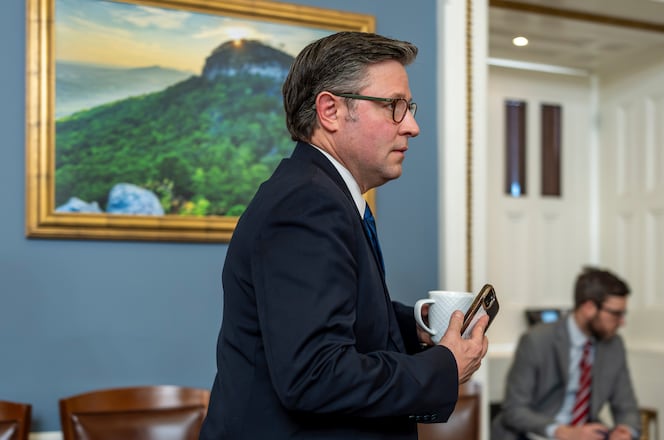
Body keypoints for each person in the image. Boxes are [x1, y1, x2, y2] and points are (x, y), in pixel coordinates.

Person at [199, 31, 489, 440]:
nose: (412, 126)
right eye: (394, 106)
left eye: (409, 107)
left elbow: (337, 311)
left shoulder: (320, 193)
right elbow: (315, 374)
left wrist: (416, 325)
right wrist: (445, 366)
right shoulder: (307, 204)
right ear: (331, 110)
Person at [491, 266, 640, 440]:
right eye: (616, 314)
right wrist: (563, 432)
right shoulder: (537, 339)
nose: (622, 322)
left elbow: (627, 408)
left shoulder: (613, 345)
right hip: (536, 434)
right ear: (589, 307)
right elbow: (514, 409)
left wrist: (625, 430)